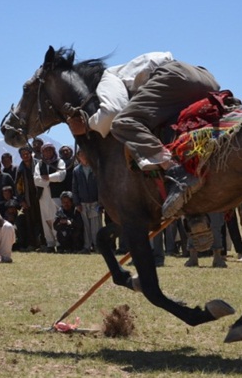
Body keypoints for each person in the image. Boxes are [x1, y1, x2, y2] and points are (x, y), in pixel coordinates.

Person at [65, 51, 220, 219]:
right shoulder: (135, 74)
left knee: (123, 122)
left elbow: (112, 112)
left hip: (175, 75)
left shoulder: (107, 77)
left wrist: (86, 125)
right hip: (206, 78)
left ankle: (175, 172)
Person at [34, 143, 66, 252]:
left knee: (56, 219)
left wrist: (47, 178)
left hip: (56, 196)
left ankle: (60, 242)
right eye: (45, 151)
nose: (47, 152)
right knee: (45, 219)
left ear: (53, 151)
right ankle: (50, 243)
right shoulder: (39, 164)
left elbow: (61, 176)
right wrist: (48, 181)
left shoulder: (59, 162)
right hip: (43, 196)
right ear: (42, 152)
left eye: (49, 150)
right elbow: (36, 179)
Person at [15, 145, 43, 251]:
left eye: (27, 154)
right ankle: (32, 244)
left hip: (39, 198)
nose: (25, 156)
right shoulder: (20, 169)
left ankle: (43, 243)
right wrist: (21, 200)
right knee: (30, 222)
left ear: (31, 154)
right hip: (27, 199)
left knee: (41, 221)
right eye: (23, 155)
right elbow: (17, 186)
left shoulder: (38, 165)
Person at [71, 148, 100, 253]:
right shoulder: (76, 170)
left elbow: (100, 186)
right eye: (81, 154)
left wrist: (101, 202)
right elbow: (74, 188)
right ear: (78, 156)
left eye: (86, 153)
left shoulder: (95, 168)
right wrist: (77, 203)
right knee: (86, 227)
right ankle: (87, 247)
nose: (84, 156)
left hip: (95, 202)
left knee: (96, 226)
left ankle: (98, 246)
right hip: (82, 203)